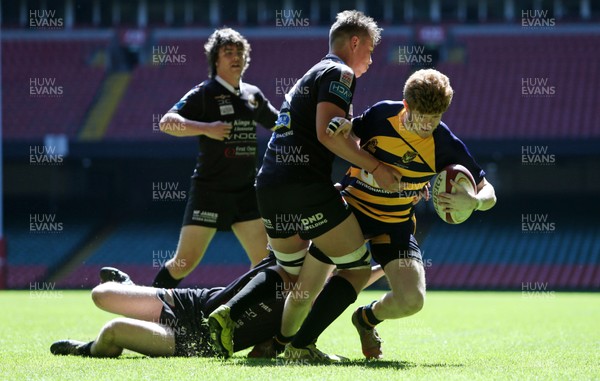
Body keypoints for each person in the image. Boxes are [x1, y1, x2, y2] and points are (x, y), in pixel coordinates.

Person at [252, 10, 396, 362]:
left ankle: (267, 341)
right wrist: (377, 167)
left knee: (293, 276)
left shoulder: (310, 74)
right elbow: (326, 134)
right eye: (371, 51)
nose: (372, 60)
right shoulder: (340, 72)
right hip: (303, 186)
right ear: (355, 42)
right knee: (357, 267)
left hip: (269, 185)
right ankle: (300, 346)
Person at [329, 68, 497, 359]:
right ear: (406, 106)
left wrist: (475, 201)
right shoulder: (381, 114)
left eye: (436, 118)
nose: (427, 125)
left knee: (413, 300)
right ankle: (288, 339)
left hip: (395, 223)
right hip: (352, 208)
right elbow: (348, 138)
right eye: (422, 116)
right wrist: (374, 167)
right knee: (312, 276)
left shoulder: (444, 143)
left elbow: (489, 191)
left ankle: (365, 319)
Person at [50, 257, 385, 358]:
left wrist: (388, 265)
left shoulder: (310, 302)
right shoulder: (287, 256)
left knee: (113, 332)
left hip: (196, 341)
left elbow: (353, 280)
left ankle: (89, 349)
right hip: (190, 301)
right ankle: (127, 287)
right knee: (100, 295)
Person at [151, 28, 278, 288]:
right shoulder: (205, 93)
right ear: (216, 60)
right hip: (210, 190)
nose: (235, 57)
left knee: (265, 261)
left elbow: (281, 125)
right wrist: (207, 128)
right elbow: (166, 123)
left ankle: (251, 317)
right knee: (183, 263)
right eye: (228, 52)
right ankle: (149, 307)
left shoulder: (253, 95)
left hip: (245, 191)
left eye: (239, 52)